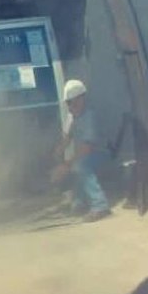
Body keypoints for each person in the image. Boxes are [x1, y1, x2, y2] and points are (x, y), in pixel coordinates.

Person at [51, 79, 112, 223]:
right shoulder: (73, 115)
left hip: (102, 152)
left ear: (81, 99)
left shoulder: (90, 116)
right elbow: (67, 137)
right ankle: (79, 202)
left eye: (72, 102)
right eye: (68, 103)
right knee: (75, 164)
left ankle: (100, 206)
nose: (70, 106)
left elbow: (87, 147)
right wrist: (57, 154)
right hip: (87, 153)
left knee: (80, 166)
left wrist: (66, 165)